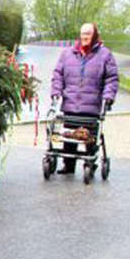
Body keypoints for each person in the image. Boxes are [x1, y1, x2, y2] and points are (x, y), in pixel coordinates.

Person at [50, 22, 119, 173]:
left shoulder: (105, 55)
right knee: (70, 136)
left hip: (92, 106)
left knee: (90, 137)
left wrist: (108, 97)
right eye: (83, 34)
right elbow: (58, 75)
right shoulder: (67, 54)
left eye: (88, 34)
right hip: (70, 103)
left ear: (95, 35)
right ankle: (68, 166)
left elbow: (112, 79)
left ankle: (90, 163)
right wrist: (56, 92)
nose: (85, 37)